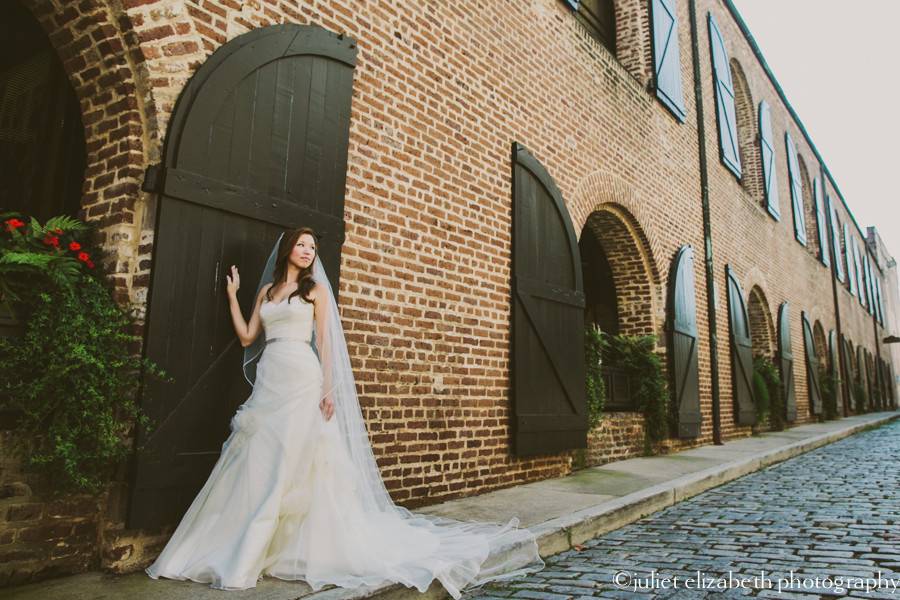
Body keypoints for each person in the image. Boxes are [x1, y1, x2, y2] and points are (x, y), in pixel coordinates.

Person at [145, 228, 543, 597]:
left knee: (291, 457)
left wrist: (327, 388)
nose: (308, 251)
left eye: (313, 248)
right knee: (257, 457)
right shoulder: (266, 291)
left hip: (302, 376)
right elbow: (249, 336)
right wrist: (233, 295)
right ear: (288, 249)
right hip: (271, 380)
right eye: (302, 244)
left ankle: (261, 548)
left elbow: (325, 342)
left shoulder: (314, 290)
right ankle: (238, 540)